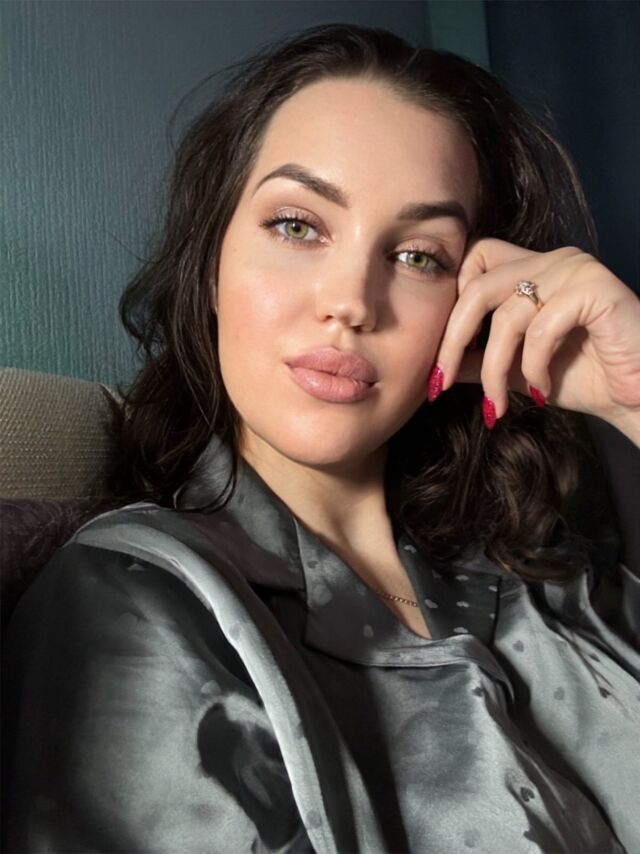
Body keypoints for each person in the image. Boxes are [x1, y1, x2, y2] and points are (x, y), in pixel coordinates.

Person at [3, 22, 640, 854]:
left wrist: (634, 397)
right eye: (298, 226)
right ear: (211, 267)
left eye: (418, 256)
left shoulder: (546, 573)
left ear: (472, 301)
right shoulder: (133, 596)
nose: (351, 302)